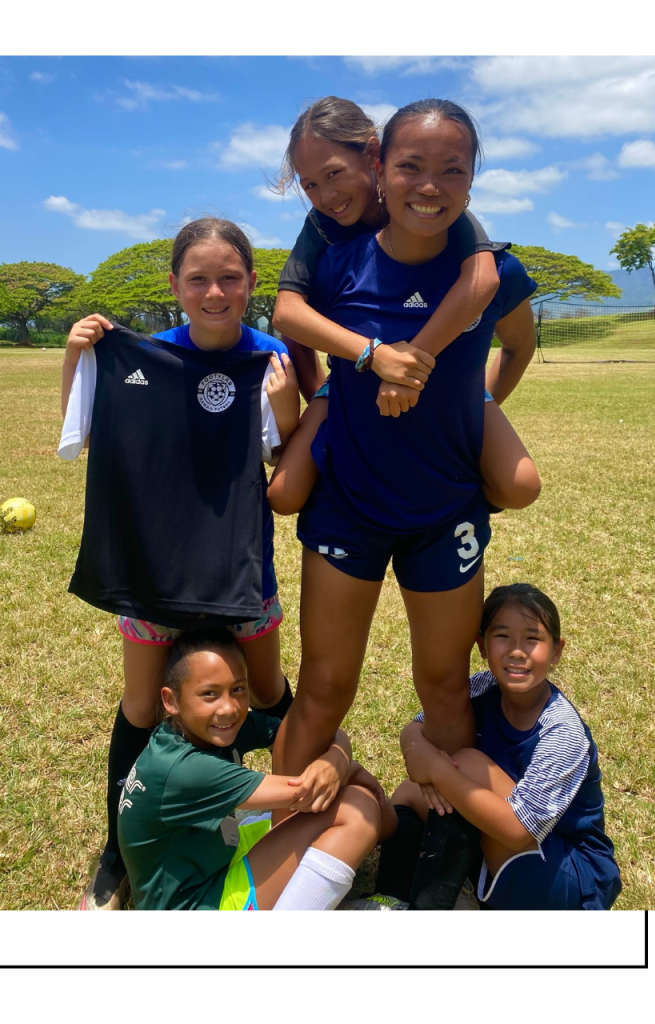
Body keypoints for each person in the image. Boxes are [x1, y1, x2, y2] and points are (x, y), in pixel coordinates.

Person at [272, 99, 540, 800]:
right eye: (412, 166)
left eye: (453, 170)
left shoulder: (490, 268)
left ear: (472, 178)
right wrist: (336, 384)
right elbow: (290, 321)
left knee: (446, 683)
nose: (430, 185)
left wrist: (477, 403)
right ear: (382, 167)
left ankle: (447, 841)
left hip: (445, 512)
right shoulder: (335, 260)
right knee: (324, 687)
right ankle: (271, 836)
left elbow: (520, 344)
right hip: (348, 507)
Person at [58, 219, 302, 911]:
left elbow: (288, 469)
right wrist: (75, 359)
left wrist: (286, 411)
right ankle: (117, 854)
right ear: (175, 285)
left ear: (252, 283)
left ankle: (293, 817)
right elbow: (83, 438)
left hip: (240, 569)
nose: (214, 292)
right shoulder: (140, 356)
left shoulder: (272, 358)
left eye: (229, 278)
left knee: (266, 692)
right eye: (198, 279)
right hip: (153, 571)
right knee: (143, 706)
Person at [271, 95, 540, 513]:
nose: (326, 195)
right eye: (310, 185)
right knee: (283, 496)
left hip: (431, 376)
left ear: (373, 156)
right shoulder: (322, 227)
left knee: (521, 486)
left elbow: (483, 280)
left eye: (334, 174)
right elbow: (289, 314)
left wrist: (414, 371)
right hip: (357, 373)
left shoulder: (437, 205)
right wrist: (356, 370)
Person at [118, 629, 395, 912]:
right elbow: (306, 791)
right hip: (200, 902)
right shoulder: (184, 769)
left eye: (238, 689)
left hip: (219, 859)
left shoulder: (201, 729)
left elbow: (310, 735)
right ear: (171, 701)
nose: (228, 708)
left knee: (375, 813)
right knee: (356, 811)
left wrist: (337, 759)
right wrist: (342, 765)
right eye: (209, 694)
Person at [390, 583, 622, 912]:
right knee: (409, 793)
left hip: (568, 876)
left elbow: (518, 831)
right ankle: (389, 896)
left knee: (468, 765)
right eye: (502, 636)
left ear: (557, 651)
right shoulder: (482, 687)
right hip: (509, 852)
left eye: (532, 638)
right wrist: (416, 751)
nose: (516, 651)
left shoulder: (562, 731)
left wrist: (437, 769)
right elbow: (415, 727)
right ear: (482, 645)